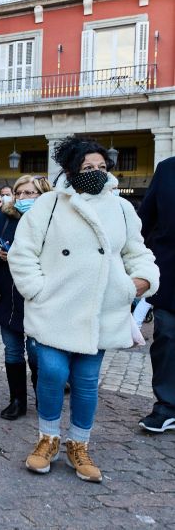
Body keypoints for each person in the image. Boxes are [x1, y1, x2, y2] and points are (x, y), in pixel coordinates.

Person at [8, 136, 159, 483]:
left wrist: (141, 281)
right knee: (51, 372)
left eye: (102, 167)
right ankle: (47, 439)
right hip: (54, 307)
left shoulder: (121, 208)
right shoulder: (49, 205)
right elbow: (23, 252)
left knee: (87, 382)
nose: (96, 173)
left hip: (99, 309)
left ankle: (80, 443)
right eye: (88, 167)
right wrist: (36, 290)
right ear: (72, 170)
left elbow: (137, 252)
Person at [0, 175, 52, 420]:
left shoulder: (52, 220)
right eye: (19, 193)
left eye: (29, 193)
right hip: (7, 295)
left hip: (37, 298)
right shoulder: (4, 218)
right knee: (12, 350)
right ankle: (17, 400)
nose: (22, 198)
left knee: (36, 354)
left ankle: (43, 398)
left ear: (42, 195)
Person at [137, 155, 175, 433]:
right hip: (171, 274)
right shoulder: (167, 169)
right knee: (167, 338)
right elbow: (145, 221)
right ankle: (167, 406)